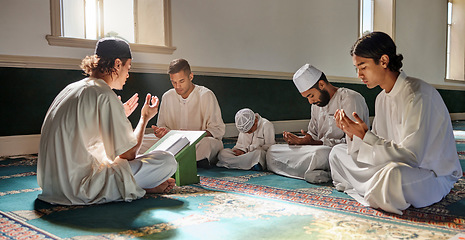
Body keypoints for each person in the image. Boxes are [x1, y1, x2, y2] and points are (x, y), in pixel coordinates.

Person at [329, 31, 462, 215]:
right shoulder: (381, 98)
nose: (359, 74)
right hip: (393, 164)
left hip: (430, 174)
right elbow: (380, 147)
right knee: (337, 152)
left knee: (392, 176)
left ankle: (375, 188)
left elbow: (412, 157)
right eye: (356, 68)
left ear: (383, 61)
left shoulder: (418, 94)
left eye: (363, 66)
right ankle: (376, 189)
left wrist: (365, 135)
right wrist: (353, 134)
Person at [37, 38, 177, 205]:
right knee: (167, 160)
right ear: (118, 64)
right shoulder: (103, 93)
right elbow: (128, 154)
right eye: (128, 68)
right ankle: (138, 188)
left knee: (111, 157)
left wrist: (119, 114)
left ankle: (137, 187)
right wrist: (144, 118)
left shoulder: (72, 88)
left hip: (51, 185)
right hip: (80, 187)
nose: (128, 75)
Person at [266, 64, 370, 183]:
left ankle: (321, 171)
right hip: (319, 149)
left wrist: (315, 142)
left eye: (311, 95)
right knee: (272, 150)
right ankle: (318, 171)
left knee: (319, 153)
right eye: (307, 98)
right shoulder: (316, 105)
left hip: (339, 150)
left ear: (321, 84)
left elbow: (355, 141)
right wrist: (302, 140)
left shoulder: (350, 98)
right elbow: (314, 134)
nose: (310, 101)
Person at [140, 58, 226, 168]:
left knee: (208, 144)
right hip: (173, 142)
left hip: (198, 142)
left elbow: (217, 130)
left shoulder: (206, 95)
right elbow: (162, 126)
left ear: (191, 77)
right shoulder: (167, 96)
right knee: (141, 141)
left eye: (181, 81)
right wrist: (161, 132)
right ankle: (179, 160)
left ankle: (167, 160)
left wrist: (191, 134)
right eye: (173, 82)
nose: (177, 86)